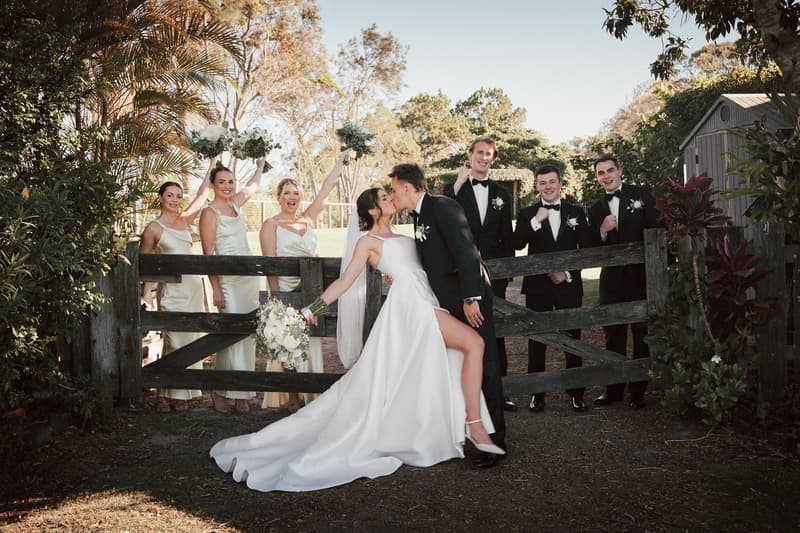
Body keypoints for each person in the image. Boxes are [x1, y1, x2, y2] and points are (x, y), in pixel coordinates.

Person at [209, 187, 503, 492]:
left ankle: (434, 431)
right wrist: (313, 309)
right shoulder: (368, 242)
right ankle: (473, 425)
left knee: (436, 365)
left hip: (425, 302)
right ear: (374, 211)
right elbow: (345, 280)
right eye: (385, 198)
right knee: (473, 343)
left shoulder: (407, 237)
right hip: (411, 309)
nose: (392, 198)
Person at [390, 163, 507, 469]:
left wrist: (471, 298)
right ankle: (468, 432)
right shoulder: (418, 215)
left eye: (393, 189)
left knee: (486, 366)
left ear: (406, 186)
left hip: (469, 302)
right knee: (462, 367)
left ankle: (495, 442)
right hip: (445, 304)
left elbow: (466, 252)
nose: (393, 195)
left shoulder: (443, 206)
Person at [259, 149, 355, 408]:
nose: (292, 196)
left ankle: (310, 395)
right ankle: (290, 395)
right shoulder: (271, 224)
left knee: (311, 339)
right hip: (286, 290)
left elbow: (326, 190)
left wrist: (339, 161)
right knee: (287, 339)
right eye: (287, 192)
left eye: (296, 193)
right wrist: (277, 299)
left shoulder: (308, 218)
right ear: (279, 197)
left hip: (314, 291)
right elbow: (270, 265)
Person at [444, 137, 516, 412]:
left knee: (495, 335)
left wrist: (505, 274)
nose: (484, 157)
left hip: (493, 276)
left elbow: (506, 237)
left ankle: (500, 391)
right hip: (460, 275)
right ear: (470, 155)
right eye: (480, 153)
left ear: (493, 159)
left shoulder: (501, 194)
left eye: (489, 154)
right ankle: (463, 396)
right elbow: (442, 224)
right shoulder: (454, 190)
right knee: (463, 333)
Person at [512, 164, 592, 413]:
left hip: (569, 285)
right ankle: (537, 393)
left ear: (560, 184)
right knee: (537, 341)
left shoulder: (576, 212)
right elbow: (517, 243)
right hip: (538, 287)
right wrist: (536, 221)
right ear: (537, 186)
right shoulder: (527, 213)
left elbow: (587, 249)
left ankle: (576, 393)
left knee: (572, 338)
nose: (547, 186)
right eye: (542, 182)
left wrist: (567, 273)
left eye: (552, 182)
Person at [139, 158, 215, 412]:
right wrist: (146, 297)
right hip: (171, 291)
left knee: (192, 339)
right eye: (169, 195)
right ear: (160, 197)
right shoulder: (153, 228)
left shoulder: (185, 221)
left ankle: (187, 393)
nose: (174, 199)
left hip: (193, 289)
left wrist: (213, 161)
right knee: (174, 341)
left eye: (178, 196)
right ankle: (166, 394)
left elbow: (204, 193)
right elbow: (144, 265)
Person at [587, 154, 662, 409]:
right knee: (613, 336)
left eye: (610, 170)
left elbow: (657, 230)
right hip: (611, 280)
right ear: (597, 178)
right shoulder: (596, 209)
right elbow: (591, 248)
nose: (606, 176)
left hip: (641, 277)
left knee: (642, 334)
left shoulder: (642, 195)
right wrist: (602, 230)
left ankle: (638, 392)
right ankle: (613, 390)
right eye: (600, 173)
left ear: (620, 170)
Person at [199, 159, 266, 414]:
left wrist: (260, 166)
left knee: (248, 335)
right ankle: (220, 391)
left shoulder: (236, 204)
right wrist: (215, 288)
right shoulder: (209, 213)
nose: (227, 186)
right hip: (227, 280)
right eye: (222, 182)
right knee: (230, 336)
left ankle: (242, 393)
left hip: (248, 278)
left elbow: (253, 187)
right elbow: (208, 253)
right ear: (213, 185)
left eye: (230, 182)